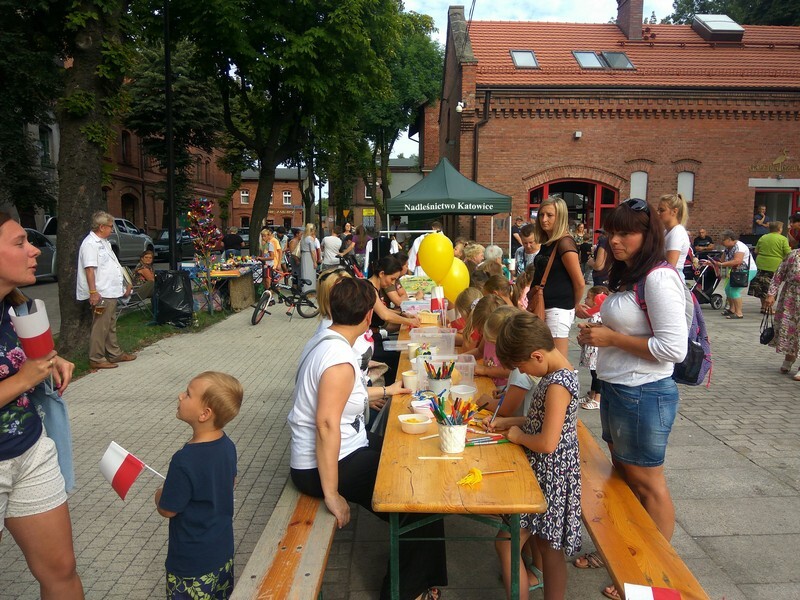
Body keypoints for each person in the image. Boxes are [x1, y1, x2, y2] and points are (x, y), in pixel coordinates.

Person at [288, 277, 446, 600]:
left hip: (343, 449)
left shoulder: (329, 341)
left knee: (408, 457)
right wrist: (331, 493)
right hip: (323, 464)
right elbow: (327, 424)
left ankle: (417, 578)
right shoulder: (339, 360)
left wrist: (391, 390)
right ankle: (405, 592)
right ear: (367, 317)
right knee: (420, 501)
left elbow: (343, 399)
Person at [575, 198, 688, 600]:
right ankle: (622, 554)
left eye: (625, 233)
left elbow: (674, 348)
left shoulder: (659, 278)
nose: (615, 240)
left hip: (644, 393)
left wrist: (610, 337)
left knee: (648, 483)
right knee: (624, 480)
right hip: (621, 389)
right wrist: (598, 324)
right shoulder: (631, 275)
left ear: (648, 236)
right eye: (612, 231)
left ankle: (653, 572)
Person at [0, 212, 84, 599]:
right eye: (19, 243)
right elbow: (20, 376)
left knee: (61, 571)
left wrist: (52, 360)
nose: (34, 249)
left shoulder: (16, 306)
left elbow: (32, 358)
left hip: (30, 450)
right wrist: (23, 379)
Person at [485, 311, 581, 600]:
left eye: (522, 366)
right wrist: (510, 422)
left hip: (550, 476)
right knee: (549, 550)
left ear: (537, 356)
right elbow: (543, 422)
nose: (523, 373)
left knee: (508, 543)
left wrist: (518, 436)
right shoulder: (556, 374)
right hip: (550, 474)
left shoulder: (557, 385)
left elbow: (548, 442)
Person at [155, 371, 243, 600]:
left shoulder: (184, 459)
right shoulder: (228, 446)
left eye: (188, 394)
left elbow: (168, 509)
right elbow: (230, 482)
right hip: (222, 553)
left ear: (204, 414)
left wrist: (160, 494)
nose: (180, 396)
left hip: (190, 563)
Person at [528, 197, 591, 357]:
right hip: (545, 306)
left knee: (557, 361)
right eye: (541, 215)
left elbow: (579, 282)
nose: (544, 219)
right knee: (546, 357)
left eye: (550, 215)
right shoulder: (549, 242)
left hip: (558, 309)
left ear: (560, 217)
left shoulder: (565, 242)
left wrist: (575, 304)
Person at [77, 211, 136, 370]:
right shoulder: (90, 244)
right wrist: (93, 292)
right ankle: (96, 357)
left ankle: (114, 352)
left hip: (110, 290)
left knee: (110, 324)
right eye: (110, 226)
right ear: (101, 227)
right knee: (100, 325)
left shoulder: (105, 242)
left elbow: (113, 266)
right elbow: (90, 270)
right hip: (101, 292)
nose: (112, 229)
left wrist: (124, 284)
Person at [765, 248, 800, 380]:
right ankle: (790, 357)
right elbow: (778, 275)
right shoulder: (793, 255)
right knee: (791, 330)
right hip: (791, 297)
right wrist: (771, 294)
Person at [577, 286, 609, 410]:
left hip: (596, 349)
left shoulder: (599, 315)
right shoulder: (596, 313)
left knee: (596, 373)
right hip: (591, 348)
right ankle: (592, 393)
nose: (585, 300)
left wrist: (584, 326)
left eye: (588, 298)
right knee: (592, 372)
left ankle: (598, 398)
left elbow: (592, 327)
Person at [750, 221, 791, 313]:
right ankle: (769, 308)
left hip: (760, 263)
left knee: (761, 286)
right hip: (774, 265)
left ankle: (763, 307)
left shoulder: (763, 237)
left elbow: (756, 251)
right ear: (779, 229)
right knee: (771, 286)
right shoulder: (783, 239)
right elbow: (788, 253)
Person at [717, 229, 757, 319]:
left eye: (723, 240)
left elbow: (737, 261)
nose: (721, 242)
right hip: (738, 271)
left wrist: (722, 264)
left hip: (747, 270)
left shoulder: (739, 247)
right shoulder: (728, 248)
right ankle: (732, 309)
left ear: (729, 239)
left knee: (735, 290)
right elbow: (722, 260)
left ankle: (739, 313)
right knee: (728, 289)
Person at [475, 305, 515, 388]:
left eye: (493, 342)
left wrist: (485, 370)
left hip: (502, 386)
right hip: (488, 382)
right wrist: (457, 358)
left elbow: (510, 371)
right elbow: (479, 351)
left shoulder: (511, 347)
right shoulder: (490, 333)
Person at [657, 193, 691, 269]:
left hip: (672, 276)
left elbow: (670, 266)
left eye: (662, 210)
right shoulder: (666, 231)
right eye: (658, 210)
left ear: (674, 211)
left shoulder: (677, 232)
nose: (658, 213)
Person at [300, 223, 318, 293]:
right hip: (309, 256)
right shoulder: (310, 238)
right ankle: (310, 290)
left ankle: (304, 290)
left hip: (304, 255)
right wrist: (315, 262)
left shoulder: (303, 237)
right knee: (310, 273)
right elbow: (313, 251)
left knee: (304, 272)